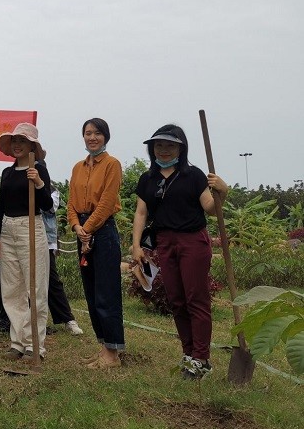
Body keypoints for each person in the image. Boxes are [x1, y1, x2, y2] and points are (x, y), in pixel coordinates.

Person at [132, 124, 228, 379]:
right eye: (159, 145)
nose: (164, 150)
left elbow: (211, 208)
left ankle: (201, 358)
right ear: (152, 149)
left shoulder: (194, 175)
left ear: (181, 148)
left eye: (170, 146)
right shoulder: (148, 178)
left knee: (196, 298)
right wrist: (136, 245)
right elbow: (141, 212)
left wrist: (223, 191)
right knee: (176, 299)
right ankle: (188, 353)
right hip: (165, 242)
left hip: (192, 241)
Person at [0, 123, 52, 360]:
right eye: (14, 141)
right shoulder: (7, 173)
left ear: (32, 146)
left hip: (30, 227)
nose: (17, 145)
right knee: (11, 288)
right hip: (8, 228)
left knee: (35, 288)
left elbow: (47, 205)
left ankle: (35, 345)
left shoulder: (39, 169)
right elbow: (0, 206)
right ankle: (17, 342)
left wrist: (38, 182)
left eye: (22, 141)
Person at [67, 118, 124, 369]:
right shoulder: (78, 167)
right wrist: (76, 227)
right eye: (88, 133)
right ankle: (104, 348)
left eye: (97, 133)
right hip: (83, 231)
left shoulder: (112, 164)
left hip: (103, 231)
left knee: (106, 293)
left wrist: (87, 229)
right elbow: (71, 202)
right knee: (91, 293)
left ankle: (113, 353)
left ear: (106, 137)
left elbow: (107, 203)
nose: (92, 137)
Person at [42, 184, 83, 336]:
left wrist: (38, 187)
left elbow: (49, 207)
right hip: (23, 239)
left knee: (52, 280)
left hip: (45, 240)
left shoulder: (52, 190)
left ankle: (67, 319)